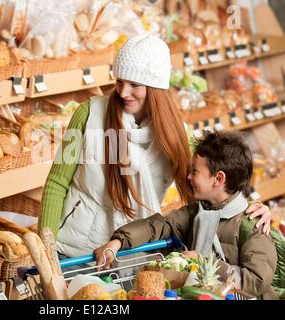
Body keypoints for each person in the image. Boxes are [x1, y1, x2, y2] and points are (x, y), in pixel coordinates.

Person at [38, 34, 272, 260]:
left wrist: (250, 208)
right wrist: (46, 251)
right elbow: (57, 183)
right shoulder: (88, 114)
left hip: (132, 255)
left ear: (156, 88)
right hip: (72, 252)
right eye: (119, 81)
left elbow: (214, 181)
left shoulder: (176, 134)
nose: (123, 92)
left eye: (135, 84)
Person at [95, 131, 278, 299]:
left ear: (218, 179)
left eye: (195, 171)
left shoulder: (254, 224)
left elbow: (256, 281)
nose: (188, 177)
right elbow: (159, 226)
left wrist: (202, 262)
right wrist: (119, 241)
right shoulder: (197, 211)